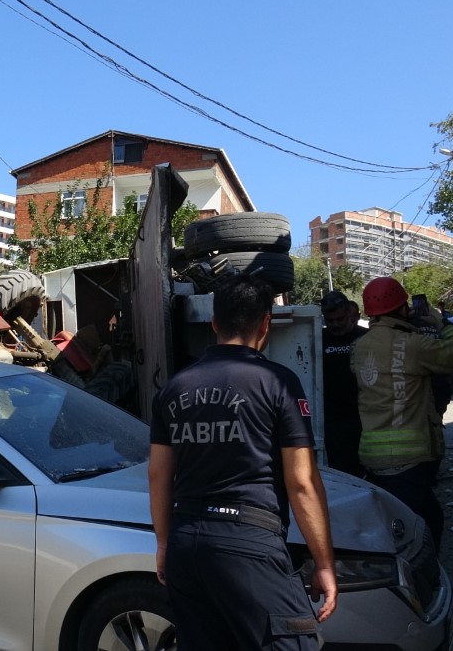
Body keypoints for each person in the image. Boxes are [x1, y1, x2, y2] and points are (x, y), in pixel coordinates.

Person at [149, 273, 337, 649]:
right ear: (265, 324)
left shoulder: (174, 388)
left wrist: (165, 544)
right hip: (249, 544)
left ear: (214, 322)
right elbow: (301, 482)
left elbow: (158, 475)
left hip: (187, 544)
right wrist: (324, 563)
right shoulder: (278, 383)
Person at [353, 277, 453, 551]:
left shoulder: (360, 346)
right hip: (405, 459)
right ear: (401, 308)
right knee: (417, 530)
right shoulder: (410, 344)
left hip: (372, 455)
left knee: (421, 519)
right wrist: (441, 323)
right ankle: (419, 576)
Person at [319, 290, 366, 476]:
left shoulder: (365, 337)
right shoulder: (318, 338)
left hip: (363, 415)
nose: (335, 324)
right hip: (332, 419)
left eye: (340, 319)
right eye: (330, 320)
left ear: (349, 314)